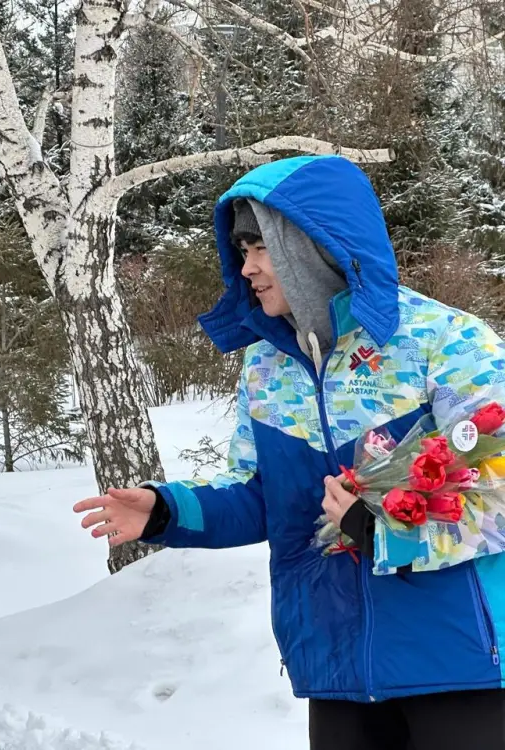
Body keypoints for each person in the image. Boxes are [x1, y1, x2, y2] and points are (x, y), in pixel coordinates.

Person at [74, 155, 505, 749]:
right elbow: (258, 492)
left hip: (457, 661)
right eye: (241, 250)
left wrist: (385, 533)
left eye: (259, 248)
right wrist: (166, 511)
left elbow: (499, 492)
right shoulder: (268, 364)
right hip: (333, 664)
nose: (245, 268)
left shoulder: (445, 342)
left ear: (315, 245)